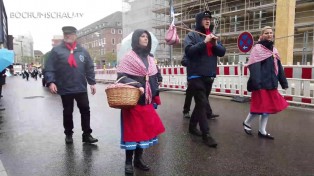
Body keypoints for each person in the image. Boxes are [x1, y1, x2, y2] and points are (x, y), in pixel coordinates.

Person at [116, 29, 165, 174]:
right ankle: (128, 162)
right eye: (142, 36)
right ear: (136, 39)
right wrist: (136, 85)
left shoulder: (150, 57)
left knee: (144, 131)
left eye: (147, 37)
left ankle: (138, 160)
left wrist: (159, 80)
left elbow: (154, 72)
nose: (145, 39)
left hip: (147, 100)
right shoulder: (128, 57)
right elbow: (120, 77)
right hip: (133, 101)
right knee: (132, 133)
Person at [45, 26, 98, 144]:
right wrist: (51, 82)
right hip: (65, 87)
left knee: (85, 110)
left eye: (70, 34)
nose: (67, 36)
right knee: (68, 112)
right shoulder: (57, 50)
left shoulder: (82, 50)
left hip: (80, 87)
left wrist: (92, 82)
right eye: (65, 34)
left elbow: (89, 67)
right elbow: (49, 68)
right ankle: (68, 134)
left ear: (75, 35)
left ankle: (87, 134)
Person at [184, 10, 226, 148]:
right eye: (205, 19)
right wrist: (204, 42)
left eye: (209, 19)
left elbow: (222, 52)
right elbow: (189, 52)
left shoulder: (212, 35)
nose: (208, 21)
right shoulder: (192, 35)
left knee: (201, 104)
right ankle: (206, 134)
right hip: (196, 75)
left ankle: (191, 126)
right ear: (199, 21)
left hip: (209, 75)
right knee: (202, 102)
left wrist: (214, 43)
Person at [243, 26, 289, 140]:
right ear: (262, 35)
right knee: (259, 107)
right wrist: (256, 83)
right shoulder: (257, 49)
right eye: (266, 33)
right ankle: (246, 122)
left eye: (271, 33)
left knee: (267, 109)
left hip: (271, 84)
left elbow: (279, 67)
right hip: (261, 85)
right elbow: (254, 67)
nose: (269, 35)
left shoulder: (274, 50)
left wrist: (283, 82)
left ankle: (262, 130)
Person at [181, 55, 219, 120]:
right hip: (192, 77)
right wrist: (193, 62)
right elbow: (183, 61)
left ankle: (208, 113)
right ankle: (186, 111)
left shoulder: (202, 50)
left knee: (203, 95)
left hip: (202, 77)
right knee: (189, 94)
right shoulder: (190, 50)